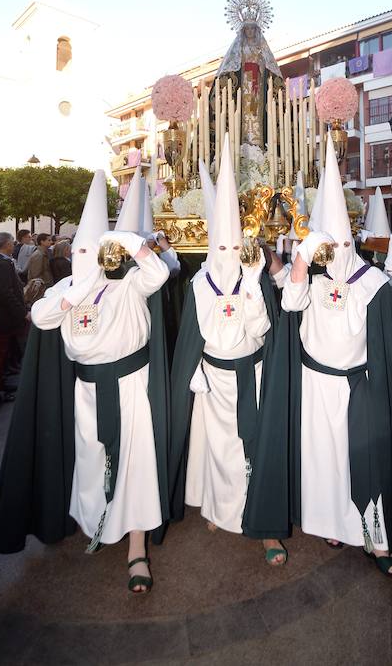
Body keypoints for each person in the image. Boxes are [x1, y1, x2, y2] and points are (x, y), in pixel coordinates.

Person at [0, 171, 171, 594]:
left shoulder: (128, 284)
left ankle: (137, 546)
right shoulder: (65, 291)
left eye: (98, 250)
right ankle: (99, 523)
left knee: (135, 461)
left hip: (130, 384)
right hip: (87, 391)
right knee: (92, 462)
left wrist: (126, 242)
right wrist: (79, 288)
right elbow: (40, 317)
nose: (91, 257)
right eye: (84, 250)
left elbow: (158, 276)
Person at [245, 134, 392, 577]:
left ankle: (377, 541)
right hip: (315, 385)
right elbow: (290, 304)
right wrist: (301, 260)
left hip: (358, 386)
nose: (332, 253)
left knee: (363, 459)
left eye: (338, 243)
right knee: (323, 458)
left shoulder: (371, 282)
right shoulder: (310, 278)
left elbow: (382, 343)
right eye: (325, 244)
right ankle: (334, 523)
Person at [169, 136, 287, 564]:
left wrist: (254, 286)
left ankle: (263, 523)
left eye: (236, 246)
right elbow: (201, 331)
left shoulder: (251, 276)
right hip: (215, 379)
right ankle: (221, 508)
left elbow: (260, 326)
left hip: (251, 375)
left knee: (252, 445)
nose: (229, 254)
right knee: (219, 447)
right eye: (222, 246)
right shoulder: (199, 283)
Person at [0, 233, 26, 401]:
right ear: (6, 244)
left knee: (4, 353)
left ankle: (2, 383)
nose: (14, 245)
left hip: (3, 316)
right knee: (0, 354)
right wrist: (22, 312)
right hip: (4, 317)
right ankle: (0, 389)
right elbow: (6, 293)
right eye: (12, 243)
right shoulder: (2, 263)